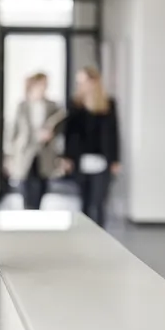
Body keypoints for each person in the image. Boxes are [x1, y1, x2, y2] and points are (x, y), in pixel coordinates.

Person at [62, 66, 120, 227]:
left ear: (94, 81)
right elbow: (69, 134)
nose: (81, 85)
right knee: (84, 201)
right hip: (81, 160)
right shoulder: (75, 105)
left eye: (83, 81)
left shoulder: (108, 104)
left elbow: (114, 133)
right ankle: (85, 233)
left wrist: (115, 160)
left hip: (102, 160)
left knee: (99, 202)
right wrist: (66, 157)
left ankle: (100, 235)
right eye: (79, 82)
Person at [6, 72, 65, 210]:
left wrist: (51, 133)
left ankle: (37, 215)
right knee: (25, 188)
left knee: (41, 186)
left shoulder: (53, 106)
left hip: (44, 153)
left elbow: (60, 128)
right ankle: (27, 216)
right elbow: (13, 131)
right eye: (42, 83)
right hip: (25, 152)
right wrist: (9, 155)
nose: (45, 87)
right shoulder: (22, 106)